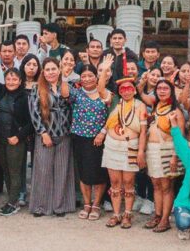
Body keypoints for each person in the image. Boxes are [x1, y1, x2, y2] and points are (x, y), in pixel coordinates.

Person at [29, 58, 76, 219]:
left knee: (62, 171)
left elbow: (71, 102)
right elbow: (34, 113)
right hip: (46, 134)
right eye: (47, 70)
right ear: (43, 72)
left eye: (53, 69)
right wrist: (42, 133)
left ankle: (60, 206)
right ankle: (40, 206)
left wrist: (64, 80)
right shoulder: (37, 88)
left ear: (59, 70)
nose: (50, 72)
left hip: (64, 134)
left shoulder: (66, 86)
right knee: (43, 170)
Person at [98, 70, 145, 228]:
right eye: (123, 89)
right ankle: (116, 214)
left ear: (134, 90)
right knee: (115, 181)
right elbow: (100, 90)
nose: (126, 91)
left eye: (129, 88)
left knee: (129, 182)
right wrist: (104, 71)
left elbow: (143, 131)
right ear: (119, 91)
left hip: (130, 146)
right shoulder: (114, 102)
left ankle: (128, 214)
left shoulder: (140, 106)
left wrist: (140, 151)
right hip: (112, 145)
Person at [70, 63, 111, 222]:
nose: (87, 79)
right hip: (79, 137)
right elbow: (64, 91)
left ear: (97, 77)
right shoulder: (76, 93)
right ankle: (87, 204)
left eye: (91, 76)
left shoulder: (106, 94)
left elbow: (112, 117)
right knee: (84, 172)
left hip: (99, 139)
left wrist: (102, 132)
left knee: (99, 173)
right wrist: (64, 71)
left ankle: (96, 204)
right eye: (84, 76)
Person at [143, 79, 183, 233]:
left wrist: (175, 156)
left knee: (166, 186)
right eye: (159, 88)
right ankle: (157, 215)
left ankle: (166, 219)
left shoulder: (175, 111)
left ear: (171, 91)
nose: (162, 91)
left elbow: (180, 136)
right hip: (152, 150)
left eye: (165, 88)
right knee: (156, 184)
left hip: (167, 150)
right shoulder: (155, 107)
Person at [0, 68, 32, 216]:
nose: (11, 82)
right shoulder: (1, 92)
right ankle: (12, 199)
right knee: (6, 171)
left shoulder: (24, 97)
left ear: (20, 81)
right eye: (8, 79)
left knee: (15, 172)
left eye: (14, 79)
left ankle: (13, 202)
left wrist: (19, 136)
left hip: (15, 140)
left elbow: (31, 123)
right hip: (0, 138)